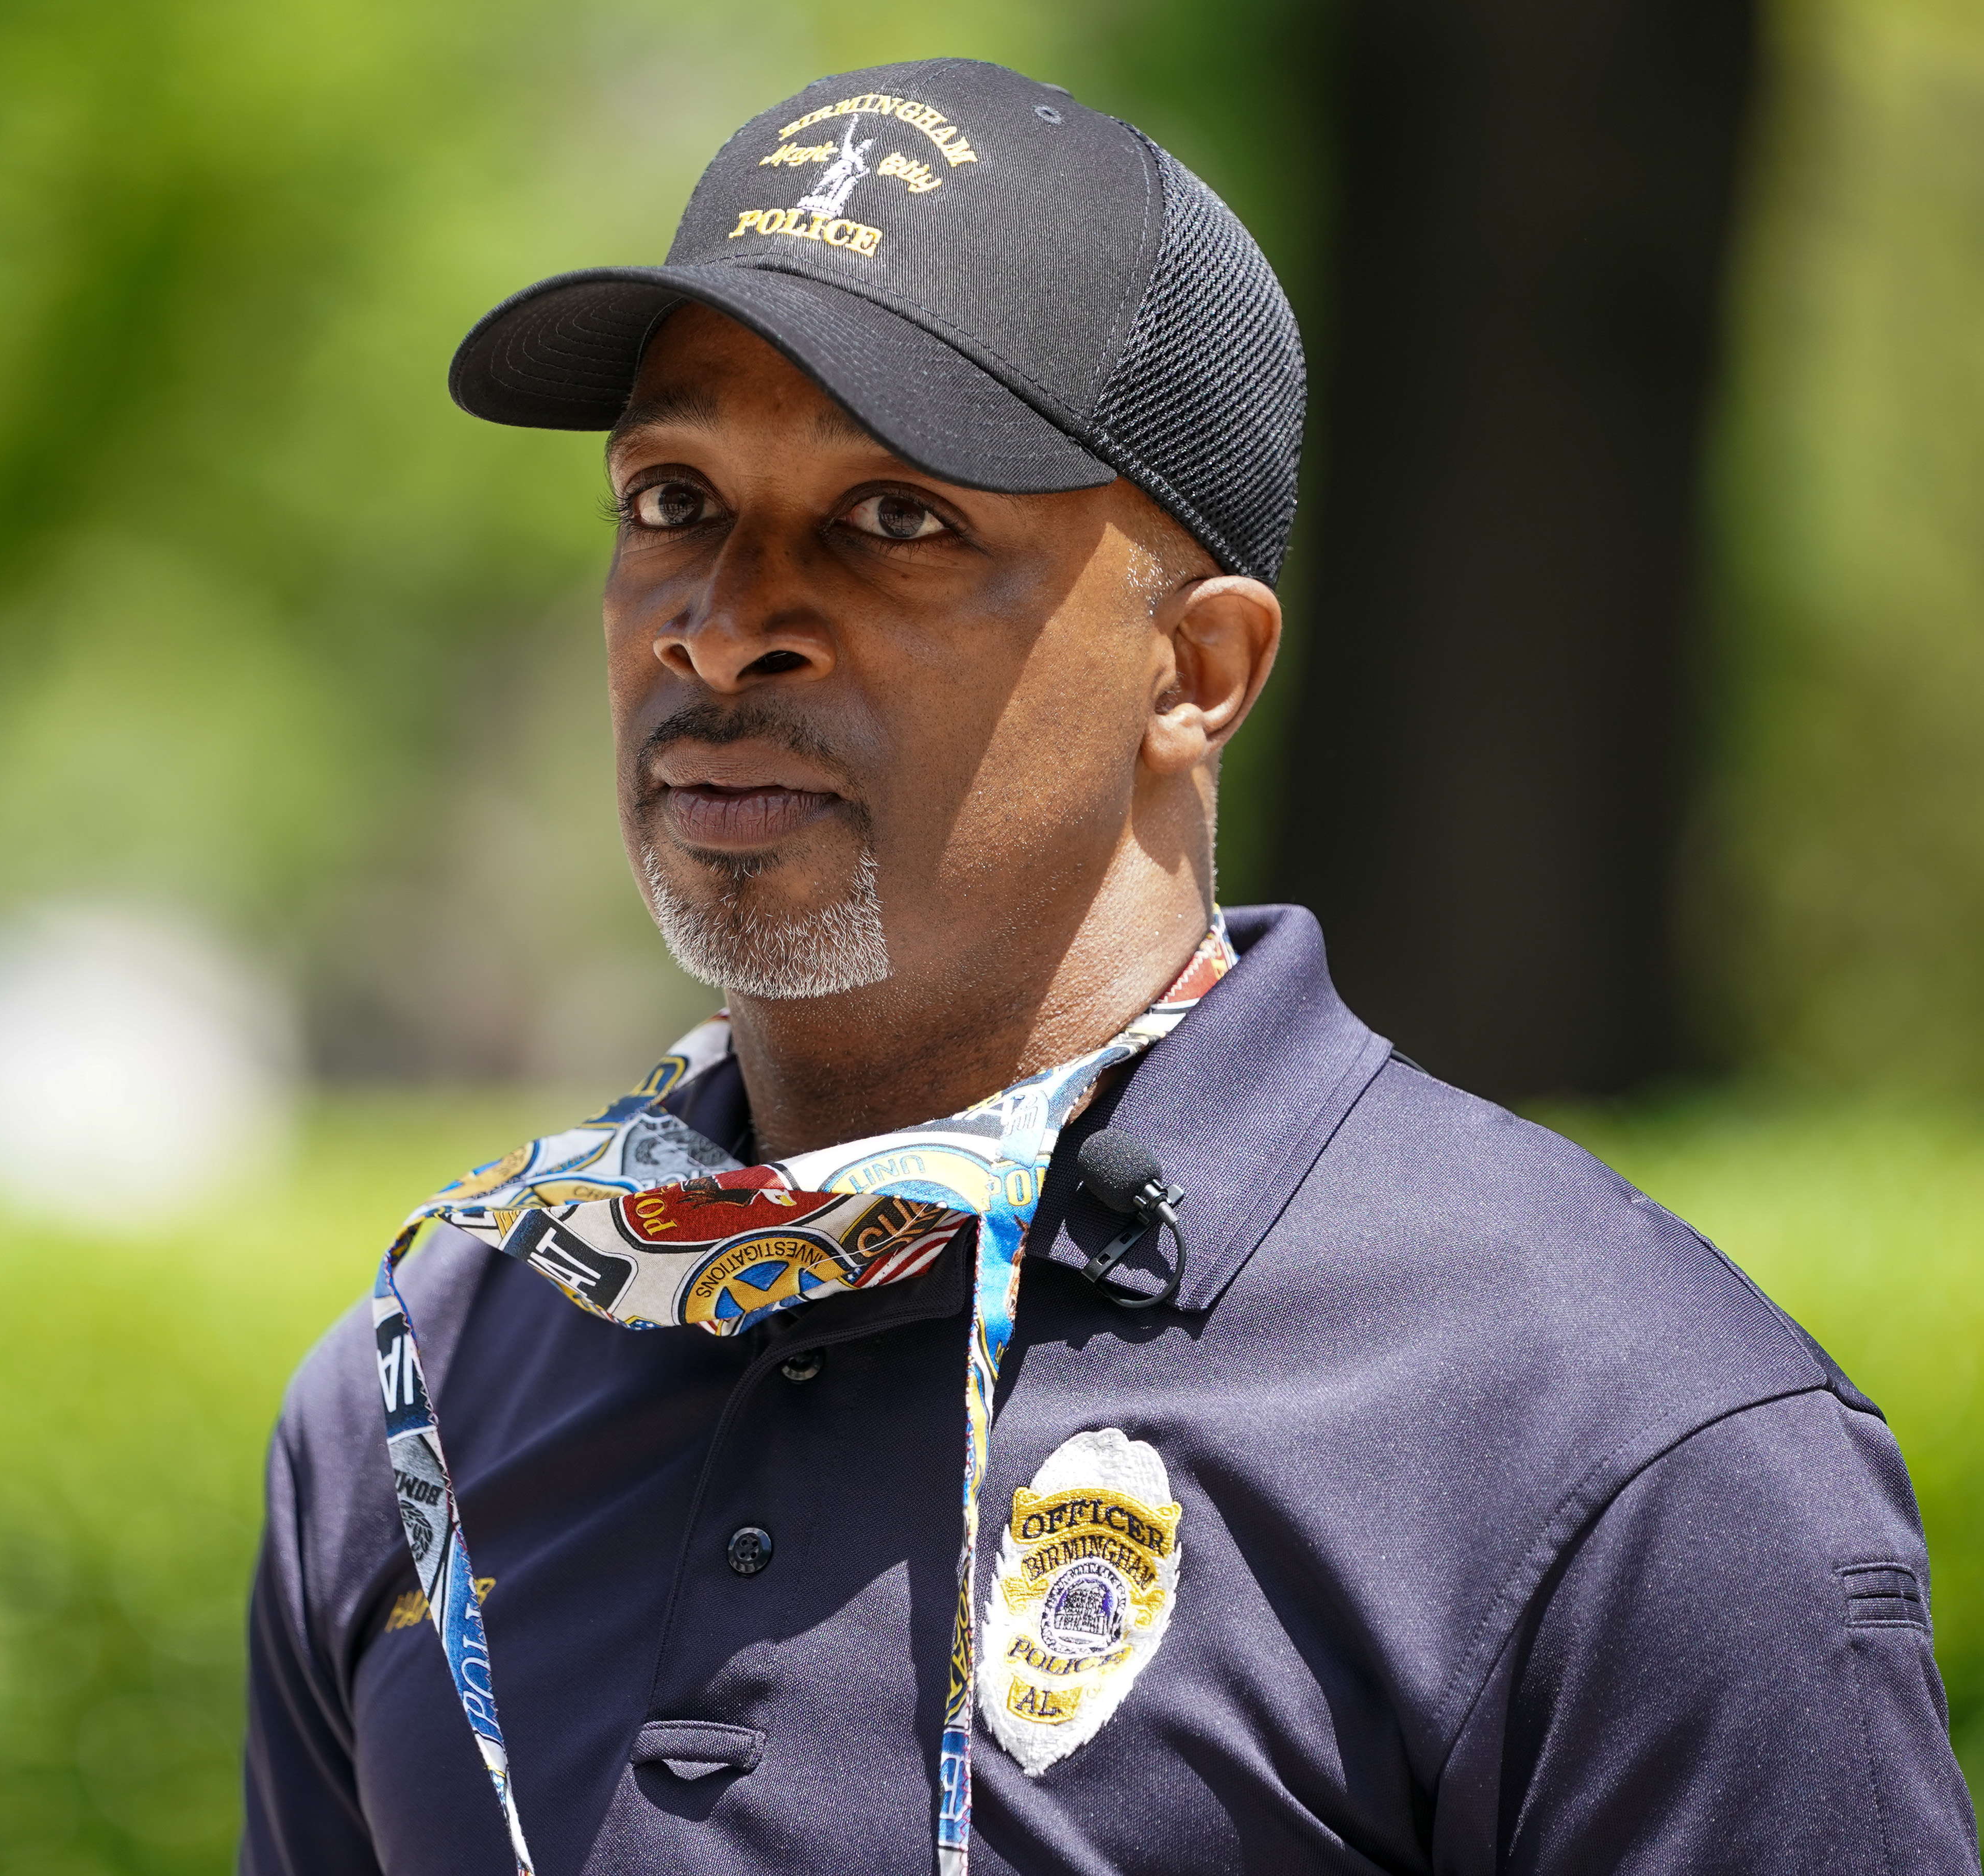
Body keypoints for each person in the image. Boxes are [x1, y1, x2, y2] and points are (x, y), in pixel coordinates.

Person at [241, 57, 1976, 1876]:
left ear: (1197, 671)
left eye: (895, 518)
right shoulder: (418, 1394)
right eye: (673, 496)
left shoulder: (1616, 1432)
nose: (727, 622)